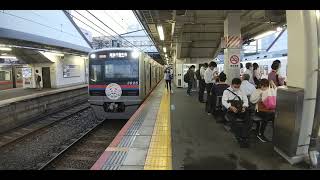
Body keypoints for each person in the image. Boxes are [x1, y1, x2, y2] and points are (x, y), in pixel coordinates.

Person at [222, 78, 250, 147]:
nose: (237, 88)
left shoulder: (242, 90)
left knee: (249, 120)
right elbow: (224, 101)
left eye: (238, 87)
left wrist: (244, 107)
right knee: (233, 122)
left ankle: (244, 137)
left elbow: (245, 100)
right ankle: (239, 137)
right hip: (231, 111)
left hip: (240, 110)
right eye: (235, 87)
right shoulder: (226, 91)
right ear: (231, 85)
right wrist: (230, 107)